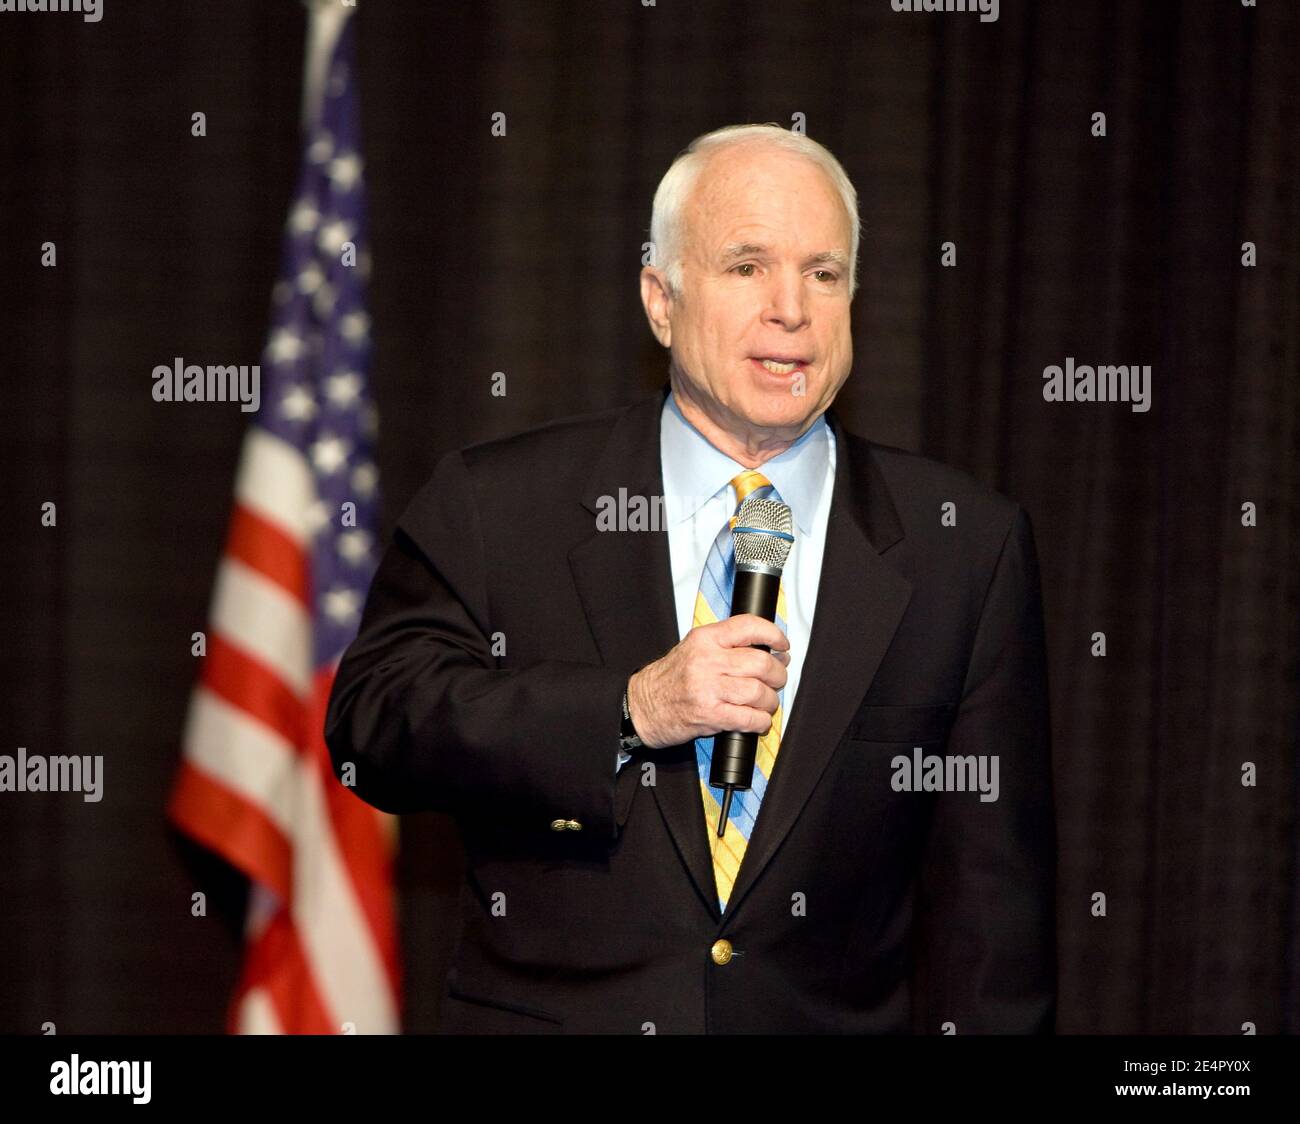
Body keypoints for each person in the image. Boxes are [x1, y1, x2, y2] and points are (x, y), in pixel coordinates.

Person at [324, 123, 1056, 1034]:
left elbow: (994, 922)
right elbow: (372, 727)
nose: (791, 307)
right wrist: (630, 711)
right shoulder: (502, 504)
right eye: (747, 266)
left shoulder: (964, 548)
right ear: (660, 300)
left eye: (824, 274)